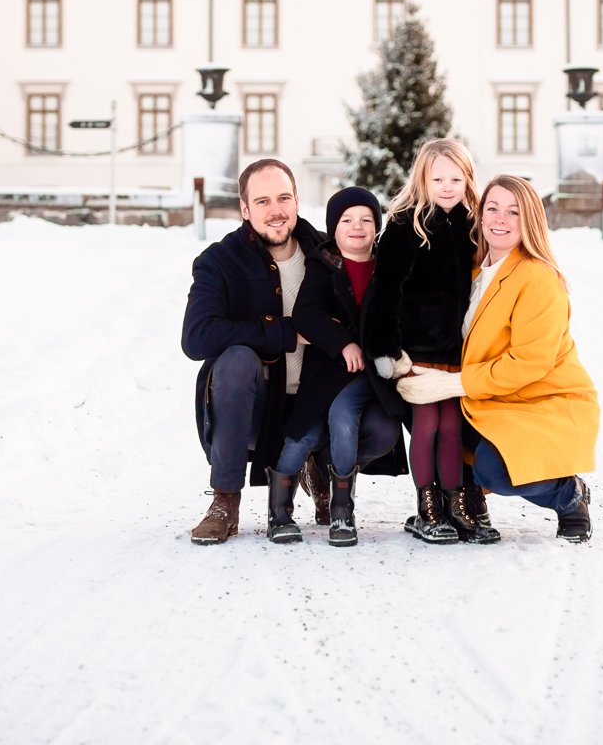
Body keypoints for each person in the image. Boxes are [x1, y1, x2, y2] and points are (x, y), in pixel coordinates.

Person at [181, 159, 401, 545]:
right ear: (245, 209)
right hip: (259, 407)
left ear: (298, 200)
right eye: (262, 201)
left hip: (321, 396)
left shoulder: (328, 250)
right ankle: (225, 499)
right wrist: (285, 333)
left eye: (283, 197)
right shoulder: (221, 261)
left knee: (382, 430)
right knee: (235, 361)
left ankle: (321, 463)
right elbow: (196, 338)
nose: (276, 210)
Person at [397, 174, 597, 542]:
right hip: (487, 397)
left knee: (496, 470)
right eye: (493, 208)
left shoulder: (538, 278)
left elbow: (528, 363)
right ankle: (461, 496)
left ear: (530, 220)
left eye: (513, 212)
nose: (500, 219)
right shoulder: (471, 270)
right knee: (427, 417)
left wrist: (451, 383)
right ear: (480, 213)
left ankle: (567, 494)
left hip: (535, 400)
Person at [367, 138, 497, 544]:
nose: (446, 186)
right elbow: (384, 291)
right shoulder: (406, 225)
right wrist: (388, 350)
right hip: (414, 351)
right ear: (422, 178)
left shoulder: (471, 226)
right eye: (438, 177)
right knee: (427, 423)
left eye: (456, 178)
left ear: (468, 180)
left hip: (455, 350)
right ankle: (428, 505)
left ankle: (456, 502)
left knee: (453, 424)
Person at [270, 187, 406, 547]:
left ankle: (342, 510)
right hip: (326, 374)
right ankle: (279, 510)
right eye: (347, 220)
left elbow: (399, 314)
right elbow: (306, 315)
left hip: (370, 377)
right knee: (304, 435)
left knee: (351, 420)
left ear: (376, 226)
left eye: (366, 220)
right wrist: (343, 341)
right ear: (334, 227)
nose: (357, 227)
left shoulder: (386, 267)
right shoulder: (324, 263)